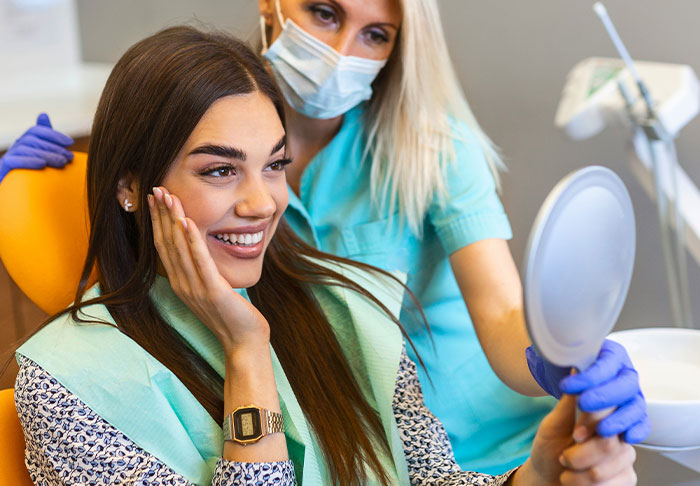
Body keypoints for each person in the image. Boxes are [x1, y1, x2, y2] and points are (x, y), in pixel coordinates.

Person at [1, 0, 650, 473]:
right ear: (130, 185)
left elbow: (437, 471)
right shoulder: (70, 387)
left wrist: (542, 456)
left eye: (275, 165)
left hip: (483, 438)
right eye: (222, 169)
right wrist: (248, 352)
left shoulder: (353, 314)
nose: (262, 203)